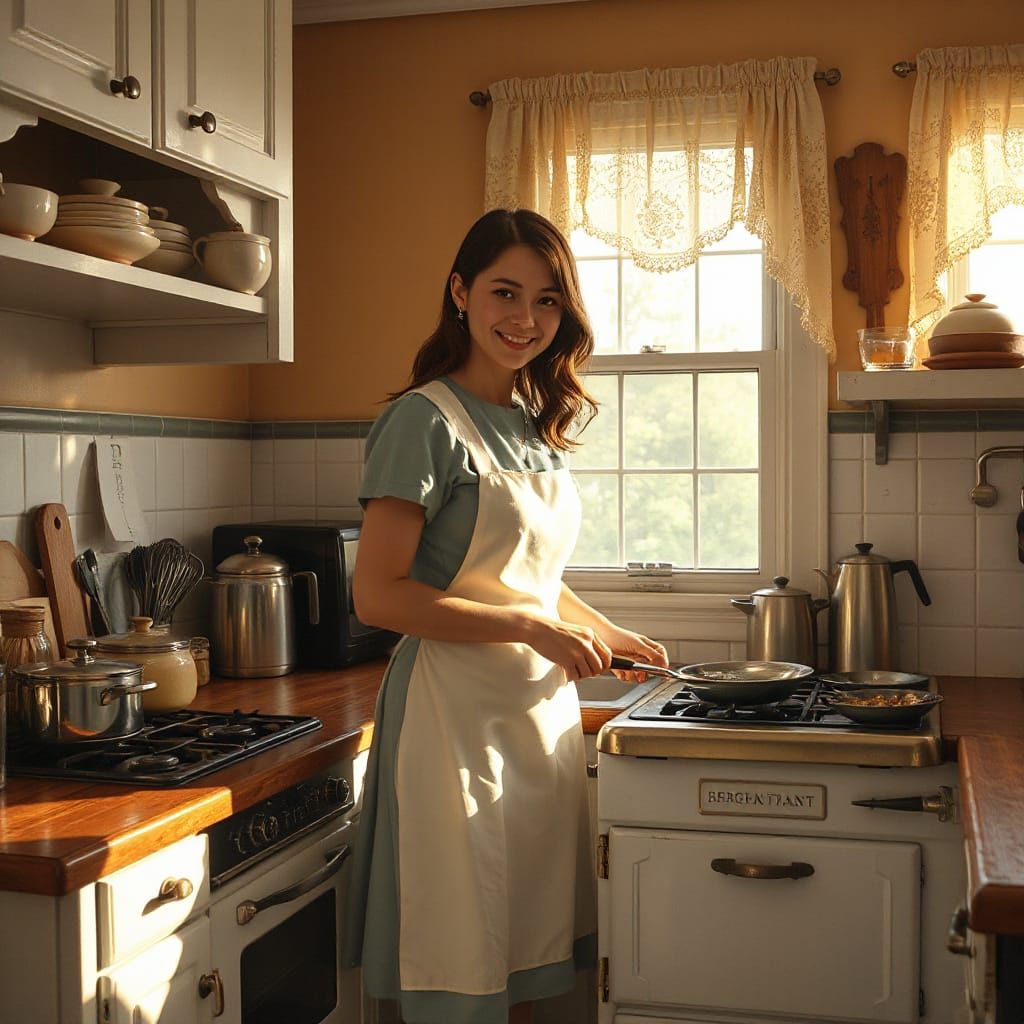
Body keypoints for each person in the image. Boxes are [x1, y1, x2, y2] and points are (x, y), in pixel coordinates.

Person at [342, 208, 669, 1024]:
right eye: (505, 292)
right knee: (459, 952)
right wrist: (532, 630)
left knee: (515, 948)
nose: (526, 318)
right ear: (460, 292)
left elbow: (526, 574)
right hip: (449, 720)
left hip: (532, 717)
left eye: (548, 300)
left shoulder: (531, 422)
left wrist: (602, 629)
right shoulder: (422, 422)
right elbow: (378, 595)